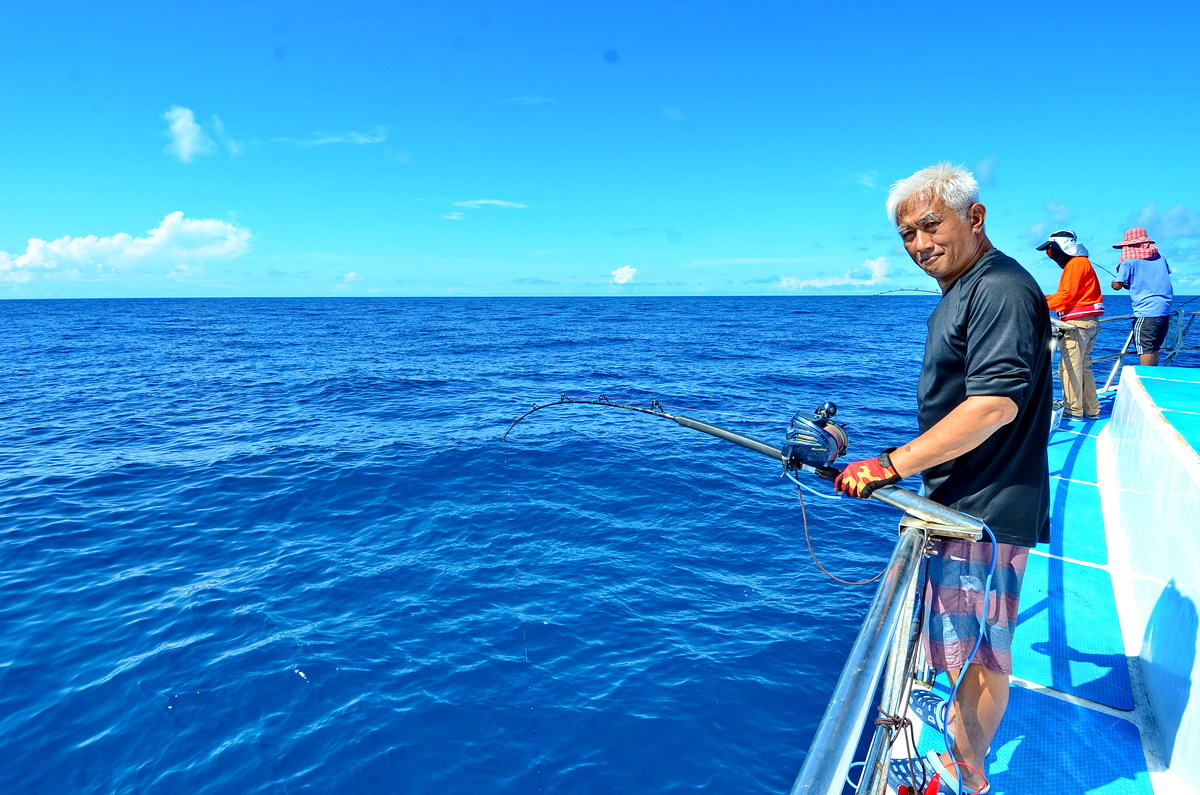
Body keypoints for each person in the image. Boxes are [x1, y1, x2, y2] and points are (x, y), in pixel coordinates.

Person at [833, 163, 1052, 795]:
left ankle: (966, 778)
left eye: (931, 225)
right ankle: (956, 750)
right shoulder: (964, 289)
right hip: (958, 501)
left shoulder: (1000, 288)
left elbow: (993, 405)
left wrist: (891, 465)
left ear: (974, 218)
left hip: (987, 510)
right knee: (956, 647)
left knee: (980, 654)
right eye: (907, 234)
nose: (919, 244)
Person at [1039, 230, 1104, 419]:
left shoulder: (1075, 264)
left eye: (1050, 248)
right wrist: (1041, 299)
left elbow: (1066, 297)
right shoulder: (1082, 263)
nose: (1049, 254)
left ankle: (1073, 410)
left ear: (1061, 246)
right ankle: (1091, 410)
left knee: (1069, 368)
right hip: (1089, 323)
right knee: (1084, 367)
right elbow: (1067, 295)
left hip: (1077, 325)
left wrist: (1036, 304)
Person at [1109, 227, 1174, 366]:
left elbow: (1117, 285)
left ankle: (1145, 382)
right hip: (1164, 311)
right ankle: (1152, 379)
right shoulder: (1160, 256)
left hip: (1146, 313)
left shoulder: (1128, 262)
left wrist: (1113, 283)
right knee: (1155, 348)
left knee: (1145, 350)